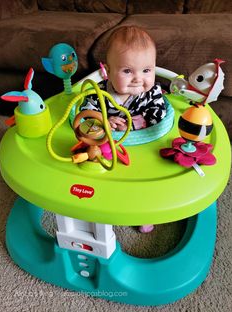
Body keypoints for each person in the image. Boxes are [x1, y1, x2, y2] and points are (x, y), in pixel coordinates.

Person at [82, 25, 167, 233]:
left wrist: (138, 123)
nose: (138, 78)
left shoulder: (152, 92)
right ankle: (105, 209)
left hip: (142, 146)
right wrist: (104, 120)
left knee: (146, 179)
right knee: (103, 177)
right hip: (110, 147)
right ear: (108, 72)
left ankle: (143, 211)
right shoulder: (99, 93)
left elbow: (160, 113)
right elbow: (85, 114)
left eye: (147, 70)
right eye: (127, 71)